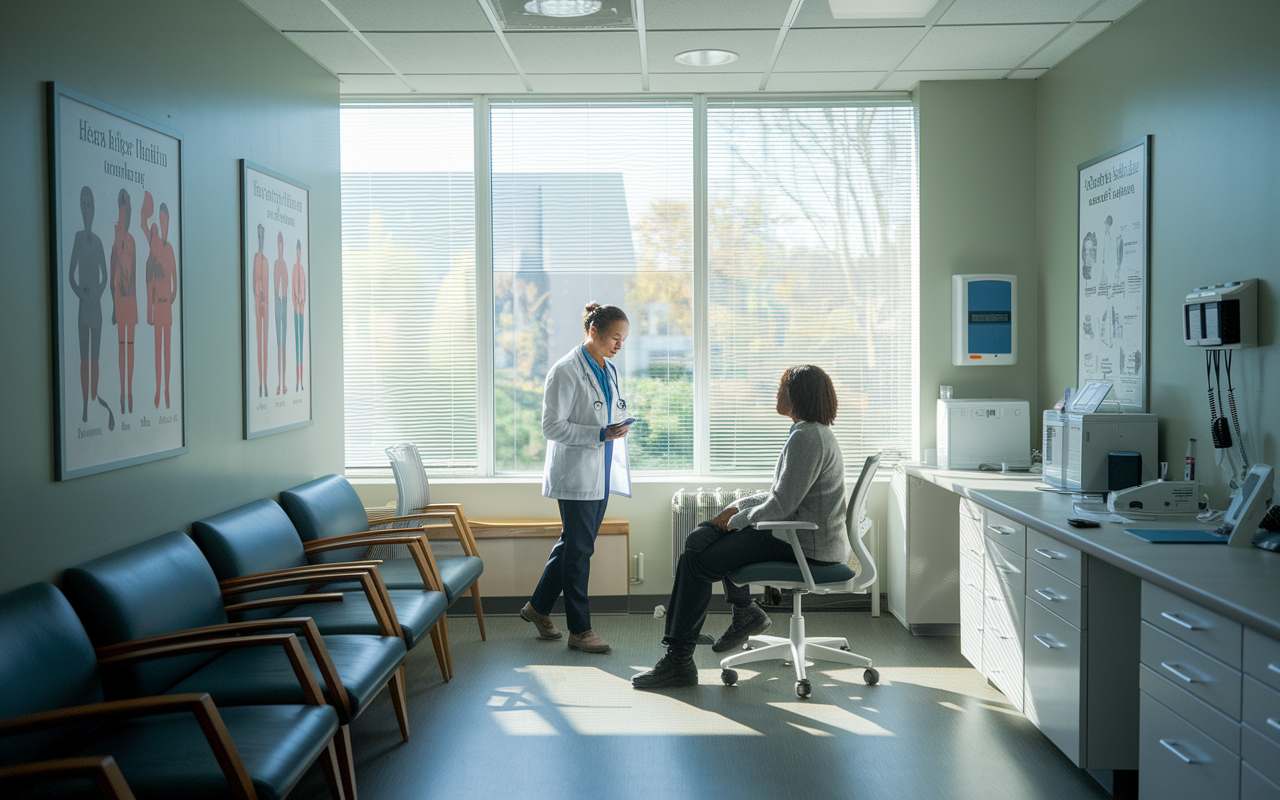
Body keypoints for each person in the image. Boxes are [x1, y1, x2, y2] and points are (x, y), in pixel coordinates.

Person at [632, 365, 849, 689]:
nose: (777, 394)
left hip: (804, 545)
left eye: (781, 388)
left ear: (798, 395)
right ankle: (744, 612)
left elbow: (781, 505)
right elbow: (781, 494)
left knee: (696, 561)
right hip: (802, 537)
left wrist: (736, 521)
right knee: (699, 542)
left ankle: (679, 660)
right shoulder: (812, 432)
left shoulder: (807, 436)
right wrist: (739, 506)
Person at [520, 302, 633, 655]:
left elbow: (608, 410)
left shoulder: (607, 368)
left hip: (600, 470)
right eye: (615, 337)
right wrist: (599, 435)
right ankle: (580, 630)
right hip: (576, 473)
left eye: (624, 339)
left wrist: (619, 424)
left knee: (573, 545)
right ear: (593, 331)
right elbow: (551, 426)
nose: (619, 345)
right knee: (580, 551)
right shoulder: (565, 370)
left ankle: (537, 608)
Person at [110, 189, 137, 414]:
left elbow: (133, 271)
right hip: (120, 299)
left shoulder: (131, 241)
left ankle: (129, 392)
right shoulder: (115, 243)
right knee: (122, 348)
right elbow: (112, 278)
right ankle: (122, 392)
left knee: (130, 347)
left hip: (130, 299)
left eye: (126, 210)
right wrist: (113, 305)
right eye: (121, 210)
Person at [291, 239, 306, 392]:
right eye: (297, 251)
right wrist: (296, 300)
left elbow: (304, 289)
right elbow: (293, 288)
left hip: (301, 309)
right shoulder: (295, 268)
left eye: (300, 251)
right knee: (297, 346)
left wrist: (303, 301)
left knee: (302, 345)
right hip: (296, 309)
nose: (299, 254)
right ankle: (297, 380)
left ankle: (301, 381)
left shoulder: (302, 268)